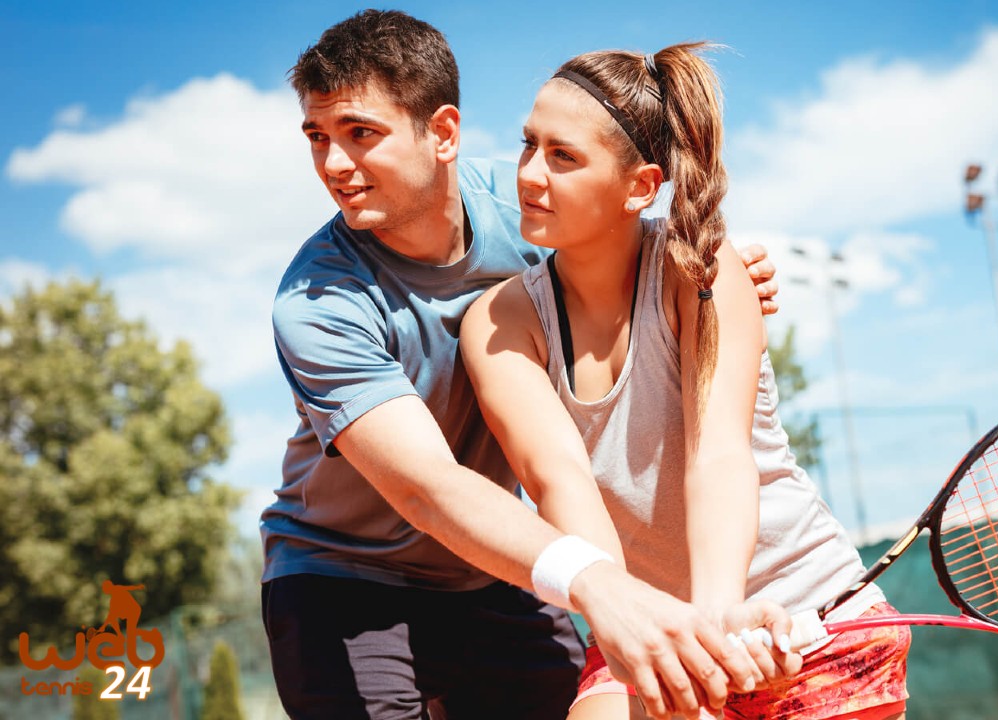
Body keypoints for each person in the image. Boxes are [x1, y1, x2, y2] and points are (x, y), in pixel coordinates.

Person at [260, 10, 786, 720]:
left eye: (361, 134)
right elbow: (428, 489)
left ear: (442, 132)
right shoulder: (316, 302)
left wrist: (712, 272)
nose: (333, 165)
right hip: (345, 581)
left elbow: (631, 238)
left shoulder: (529, 203)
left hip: (494, 563)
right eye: (317, 138)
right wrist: (601, 584)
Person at [459, 43, 911, 719]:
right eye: (528, 144)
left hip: (808, 622)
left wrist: (719, 617)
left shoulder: (701, 269)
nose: (528, 173)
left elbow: (719, 457)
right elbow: (560, 482)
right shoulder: (499, 321)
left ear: (640, 186)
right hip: (651, 630)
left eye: (563, 156)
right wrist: (659, 630)